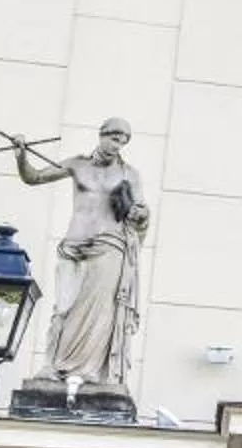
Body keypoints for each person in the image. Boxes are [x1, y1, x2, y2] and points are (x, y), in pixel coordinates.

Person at [9, 119, 149, 396]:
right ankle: (55, 366)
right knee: (65, 308)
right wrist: (21, 154)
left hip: (110, 246)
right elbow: (33, 177)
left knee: (100, 313)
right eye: (113, 137)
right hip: (73, 246)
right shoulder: (77, 165)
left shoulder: (129, 174)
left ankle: (90, 372)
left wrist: (139, 214)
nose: (116, 144)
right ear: (101, 136)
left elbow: (140, 212)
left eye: (122, 140)